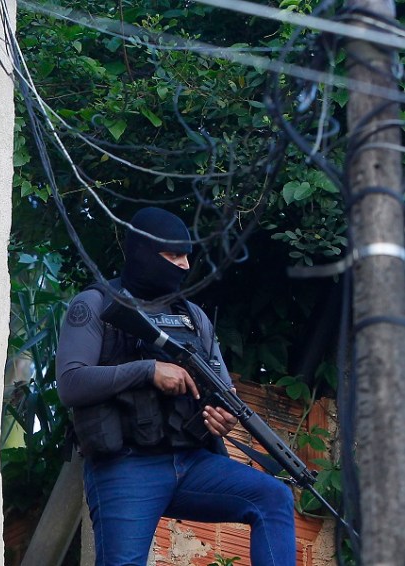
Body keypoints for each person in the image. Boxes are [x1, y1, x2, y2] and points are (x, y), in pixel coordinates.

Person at [56, 207, 296, 566]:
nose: (184, 265)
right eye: (173, 255)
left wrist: (223, 416)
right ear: (143, 253)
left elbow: (224, 390)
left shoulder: (193, 317)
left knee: (273, 497)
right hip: (125, 467)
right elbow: (71, 383)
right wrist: (148, 370)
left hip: (192, 462)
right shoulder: (95, 305)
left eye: (187, 256)